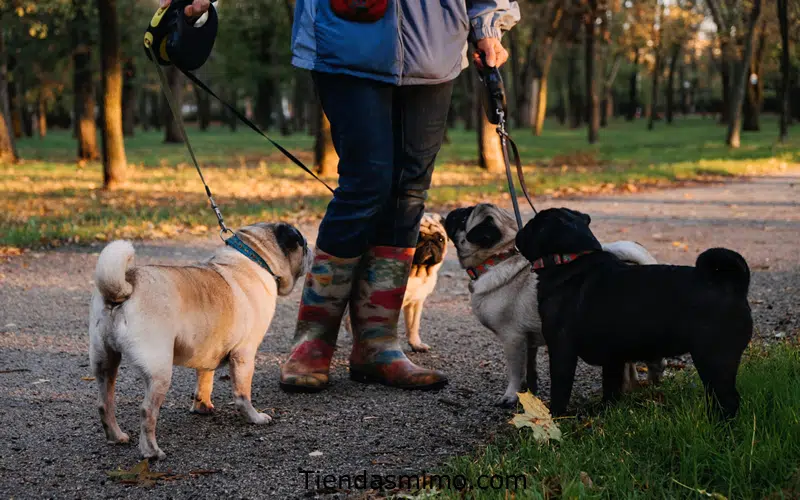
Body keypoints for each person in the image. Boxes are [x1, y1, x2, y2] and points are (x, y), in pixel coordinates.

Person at [161, 0, 520, 392]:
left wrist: (486, 23)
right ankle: (312, 342)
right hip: (345, 38)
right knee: (365, 183)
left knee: (410, 189)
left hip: (434, 46)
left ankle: (378, 344)